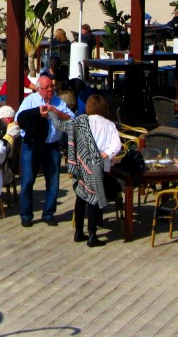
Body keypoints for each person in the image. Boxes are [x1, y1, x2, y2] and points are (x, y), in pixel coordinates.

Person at [56, 94, 121, 247]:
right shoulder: (109, 125)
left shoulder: (81, 122)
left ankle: (79, 232)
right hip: (98, 167)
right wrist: (104, 154)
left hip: (81, 165)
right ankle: (92, 235)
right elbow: (116, 146)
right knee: (93, 201)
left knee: (81, 198)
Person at [16, 76, 73, 227]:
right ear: (39, 89)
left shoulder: (58, 102)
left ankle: (48, 214)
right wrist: (37, 113)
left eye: (51, 87)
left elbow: (71, 118)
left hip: (51, 146)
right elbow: (18, 119)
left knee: (53, 181)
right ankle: (26, 215)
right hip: (32, 144)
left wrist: (55, 111)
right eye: (47, 88)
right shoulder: (31, 100)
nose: (50, 90)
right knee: (27, 181)